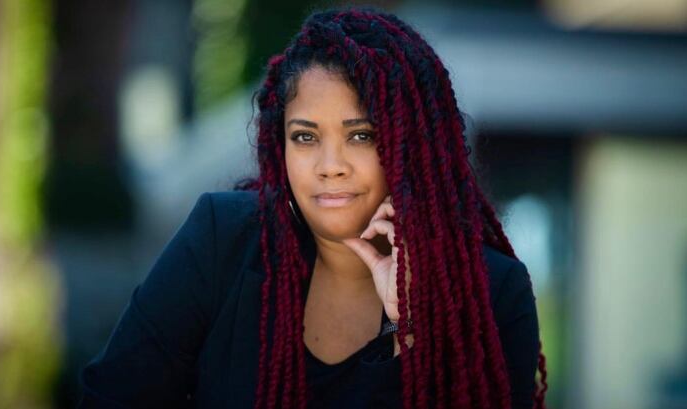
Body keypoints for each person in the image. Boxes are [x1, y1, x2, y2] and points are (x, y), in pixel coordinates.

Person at [79, 6, 548, 409]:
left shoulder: (492, 293)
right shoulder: (223, 239)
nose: (329, 166)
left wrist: (409, 333)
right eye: (305, 137)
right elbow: (110, 396)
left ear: (413, 147)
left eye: (360, 136)